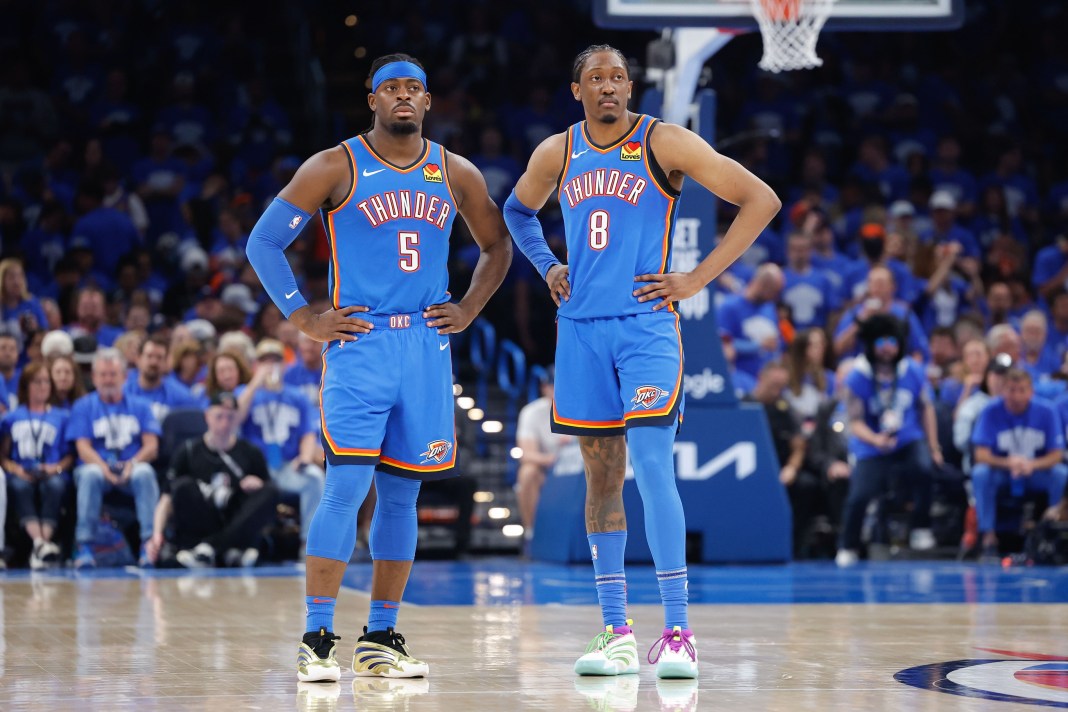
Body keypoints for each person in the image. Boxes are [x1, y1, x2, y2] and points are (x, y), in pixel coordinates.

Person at [505, 44, 779, 678]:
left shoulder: (664, 142)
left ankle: (678, 634)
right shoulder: (557, 152)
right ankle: (617, 632)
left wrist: (697, 278)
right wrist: (547, 266)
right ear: (577, 90)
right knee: (602, 478)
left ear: (631, 87)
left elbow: (760, 199)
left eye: (618, 77)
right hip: (580, 332)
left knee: (653, 469)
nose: (608, 86)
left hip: (646, 330)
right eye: (596, 78)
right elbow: (517, 211)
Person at [245, 53, 510, 682]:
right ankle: (316, 639)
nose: (403, 97)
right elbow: (264, 241)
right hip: (361, 345)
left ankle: (381, 637)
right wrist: (304, 316)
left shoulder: (455, 171)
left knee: (402, 496)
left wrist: (469, 307)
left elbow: (497, 244)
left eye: (414, 88)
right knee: (345, 487)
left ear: (427, 101)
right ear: (372, 99)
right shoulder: (334, 164)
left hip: (425, 346)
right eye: (391, 88)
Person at [836, 314, 943, 567]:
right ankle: (848, 545)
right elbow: (855, 421)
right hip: (870, 445)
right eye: (880, 341)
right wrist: (875, 440)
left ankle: (921, 527)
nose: (886, 347)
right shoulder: (857, 376)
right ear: (870, 343)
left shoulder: (913, 370)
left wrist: (934, 446)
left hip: (907, 439)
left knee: (924, 468)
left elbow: (926, 408)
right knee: (859, 495)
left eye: (892, 341)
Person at [147, 391, 279, 568]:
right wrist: (156, 535)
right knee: (181, 486)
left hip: (235, 520)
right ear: (207, 417)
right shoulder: (188, 451)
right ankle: (226, 550)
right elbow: (166, 498)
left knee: (270, 491)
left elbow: (266, 499)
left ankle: (212, 547)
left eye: (230, 417)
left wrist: (259, 485)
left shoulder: (250, 452)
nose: (224, 423)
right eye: (219, 417)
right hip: (202, 521)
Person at [68, 348, 161, 568]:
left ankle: (149, 544)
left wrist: (132, 464)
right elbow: (83, 448)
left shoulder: (141, 406)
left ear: (124, 377)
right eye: (103, 374)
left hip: (131, 467)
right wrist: (103, 467)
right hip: (96, 467)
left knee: (145, 473)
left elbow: (152, 446)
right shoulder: (83, 406)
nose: (108, 379)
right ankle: (85, 546)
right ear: (94, 377)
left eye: (113, 374)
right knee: (90, 474)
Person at [237, 339, 324, 553]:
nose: (270, 365)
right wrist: (255, 383)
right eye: (264, 361)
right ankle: (244, 545)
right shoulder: (244, 393)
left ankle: (309, 544)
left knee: (314, 478)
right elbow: (234, 419)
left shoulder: (297, 396)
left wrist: (304, 458)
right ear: (255, 365)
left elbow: (307, 433)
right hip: (255, 468)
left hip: (286, 466)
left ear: (285, 365)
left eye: (275, 360)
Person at [971, 368, 1067, 559]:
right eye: (1011, 390)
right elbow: (980, 455)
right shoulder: (990, 410)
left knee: (1061, 474)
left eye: (1022, 390)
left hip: (1035, 472)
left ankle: (1055, 532)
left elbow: (1056, 455)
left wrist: (1031, 465)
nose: (1016, 396)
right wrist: (1008, 463)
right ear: (1002, 391)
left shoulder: (1047, 411)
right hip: (1003, 473)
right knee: (980, 473)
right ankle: (988, 537)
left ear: (1031, 391)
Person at [0, 362, 71, 569]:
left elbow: (70, 455)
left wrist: (55, 468)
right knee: (19, 486)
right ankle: (41, 545)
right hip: (21, 471)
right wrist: (16, 469)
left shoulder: (61, 416)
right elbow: (3, 455)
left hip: (51, 472)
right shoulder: (11, 417)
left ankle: (40, 545)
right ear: (26, 386)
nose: (42, 386)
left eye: (46, 382)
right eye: (37, 382)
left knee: (55, 485)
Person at [514, 366, 579, 544]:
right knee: (528, 472)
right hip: (549, 470)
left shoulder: (584, 408)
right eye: (554, 386)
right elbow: (527, 454)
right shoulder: (532, 412)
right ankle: (532, 534)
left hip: (580, 470)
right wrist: (554, 459)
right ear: (545, 387)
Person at [124, 335, 202, 423]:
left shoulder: (182, 397)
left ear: (166, 362)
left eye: (159, 357)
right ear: (138, 359)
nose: (154, 362)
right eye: (149, 356)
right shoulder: (124, 392)